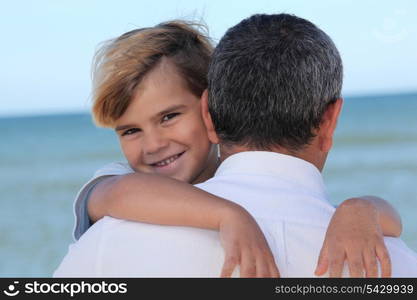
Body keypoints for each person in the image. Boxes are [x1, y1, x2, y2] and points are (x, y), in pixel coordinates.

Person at [54, 16, 415, 277]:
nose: (153, 145)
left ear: (208, 111)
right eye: (130, 131)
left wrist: (361, 209)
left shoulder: (110, 243)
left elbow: (391, 219)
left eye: (168, 117)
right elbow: (115, 193)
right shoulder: (123, 186)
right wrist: (228, 215)